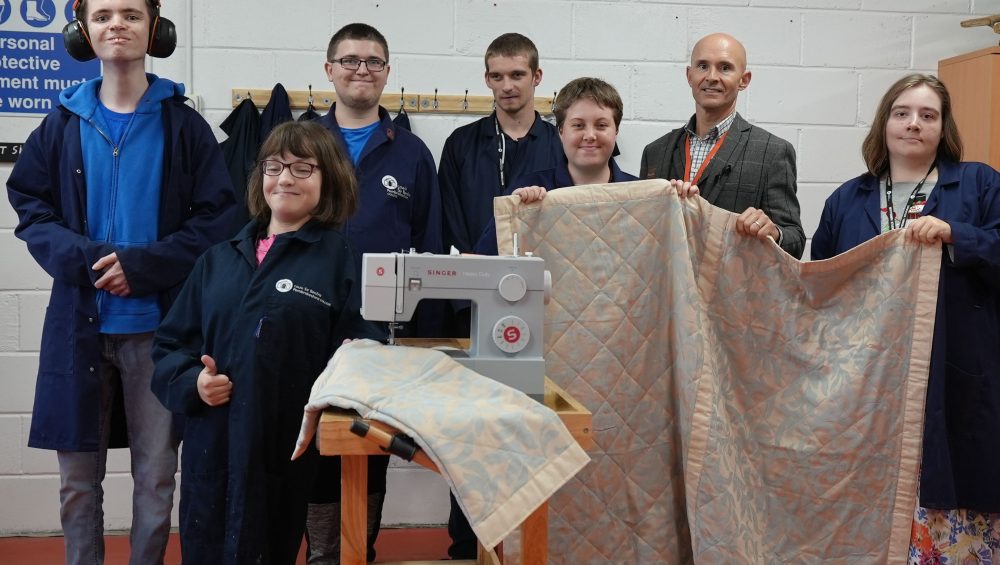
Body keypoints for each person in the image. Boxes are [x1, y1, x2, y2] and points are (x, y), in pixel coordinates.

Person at [4, 1, 235, 563]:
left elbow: (217, 218)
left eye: (131, 13)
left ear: (155, 28)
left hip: (160, 333)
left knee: (156, 481)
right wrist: (88, 259)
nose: (117, 25)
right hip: (78, 328)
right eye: (103, 14)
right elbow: (30, 206)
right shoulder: (61, 120)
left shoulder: (184, 124)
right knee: (77, 483)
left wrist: (146, 266)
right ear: (83, 30)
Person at [151, 121, 386, 564]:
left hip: (283, 447)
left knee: (270, 548)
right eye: (274, 166)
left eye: (303, 168)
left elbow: (364, 351)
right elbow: (168, 347)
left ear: (328, 179)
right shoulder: (216, 261)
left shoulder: (341, 263)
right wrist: (194, 383)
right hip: (213, 444)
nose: (285, 178)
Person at [810, 74, 1000, 561]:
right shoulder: (846, 200)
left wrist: (958, 234)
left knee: (955, 495)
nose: (913, 124)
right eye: (902, 113)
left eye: (928, 115)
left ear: (943, 127)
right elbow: (819, 289)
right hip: (869, 383)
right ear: (884, 123)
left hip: (954, 372)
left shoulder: (979, 183)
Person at [311, 22, 443, 562]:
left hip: (382, 334)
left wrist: (424, 343)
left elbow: (429, 246)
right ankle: (322, 554)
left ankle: (358, 548)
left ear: (387, 73)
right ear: (329, 70)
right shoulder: (302, 144)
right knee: (313, 444)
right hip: (308, 320)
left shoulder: (411, 153)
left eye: (373, 61)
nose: (361, 70)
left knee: (372, 445)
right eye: (350, 60)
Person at [639, 32, 805, 259]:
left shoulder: (772, 152)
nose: (712, 76)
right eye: (702, 66)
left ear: (744, 80)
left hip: (734, 291)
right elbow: (640, 236)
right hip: (668, 290)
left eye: (725, 67)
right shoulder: (655, 153)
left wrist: (774, 232)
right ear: (689, 75)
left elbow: (794, 241)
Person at [475, 77, 637, 255]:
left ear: (616, 131)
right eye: (578, 125)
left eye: (601, 125)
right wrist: (515, 216)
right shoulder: (526, 189)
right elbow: (485, 261)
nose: (590, 135)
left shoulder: (642, 197)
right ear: (561, 132)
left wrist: (673, 204)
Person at [438, 32, 563, 255]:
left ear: (536, 76)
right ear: (487, 79)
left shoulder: (561, 145)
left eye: (517, 75)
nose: (507, 86)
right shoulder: (460, 143)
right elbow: (449, 219)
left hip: (544, 276)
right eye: (497, 77)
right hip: (473, 277)